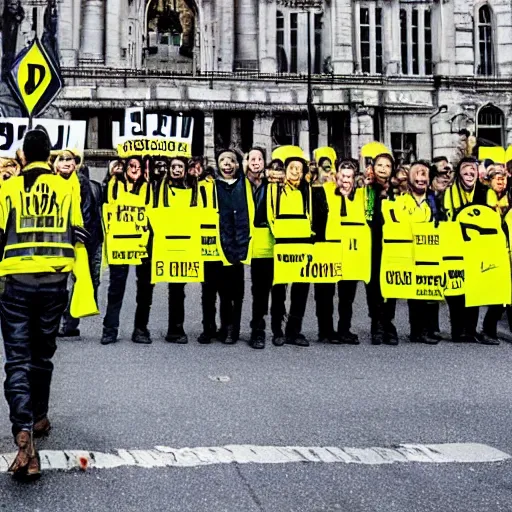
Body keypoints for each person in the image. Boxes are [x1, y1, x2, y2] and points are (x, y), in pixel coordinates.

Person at [0, 129, 87, 478]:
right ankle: (39, 416)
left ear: (23, 156)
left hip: (15, 283)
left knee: (17, 360)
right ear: (49, 156)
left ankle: (24, 435)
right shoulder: (67, 186)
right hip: (54, 283)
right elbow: (80, 234)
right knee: (42, 354)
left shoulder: (8, 188)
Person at [101, 156, 154, 345]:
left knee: (145, 290)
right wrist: (110, 175)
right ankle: (110, 329)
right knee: (116, 289)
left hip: (142, 244)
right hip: (120, 245)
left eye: (138, 166)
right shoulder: (113, 184)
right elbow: (104, 203)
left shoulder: (149, 187)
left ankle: (140, 329)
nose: (135, 169)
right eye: (131, 165)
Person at [313, 157, 365, 344]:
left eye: (350, 176)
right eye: (343, 175)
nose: (346, 180)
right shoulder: (323, 192)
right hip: (328, 248)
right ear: (336, 176)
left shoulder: (362, 196)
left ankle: (344, 329)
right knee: (325, 293)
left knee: (347, 295)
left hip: (351, 250)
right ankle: (325, 330)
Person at [393, 160, 443, 344]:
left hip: (429, 252)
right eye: (417, 174)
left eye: (424, 174)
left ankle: (429, 328)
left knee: (429, 290)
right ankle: (417, 330)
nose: (421, 178)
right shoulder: (402, 201)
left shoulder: (434, 201)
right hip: (411, 251)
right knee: (415, 294)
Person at [268, 146, 312, 347]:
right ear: (285, 170)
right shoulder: (274, 189)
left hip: (302, 243)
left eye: (299, 168)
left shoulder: (306, 190)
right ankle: (277, 330)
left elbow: (310, 216)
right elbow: (270, 216)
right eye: (292, 167)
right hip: (283, 244)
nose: (296, 171)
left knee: (301, 289)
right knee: (279, 290)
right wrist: (280, 236)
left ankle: (294, 330)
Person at [53, 150, 97, 338]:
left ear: (76, 163)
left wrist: (81, 233)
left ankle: (70, 323)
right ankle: (54, 322)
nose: (65, 162)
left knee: (81, 282)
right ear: (54, 163)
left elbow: (90, 212)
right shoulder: (48, 183)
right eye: (61, 159)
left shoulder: (85, 184)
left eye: (69, 159)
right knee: (57, 283)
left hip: (81, 239)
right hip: (55, 240)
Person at [245, 147, 286, 349]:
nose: (256, 162)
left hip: (277, 241)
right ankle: (258, 329)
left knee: (279, 288)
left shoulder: (276, 185)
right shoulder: (242, 184)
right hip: (257, 242)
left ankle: (278, 329)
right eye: (252, 158)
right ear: (247, 162)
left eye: (259, 158)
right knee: (259, 290)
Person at [443, 156, 486, 342]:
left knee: (473, 288)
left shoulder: (485, 192)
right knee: (455, 288)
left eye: (472, 171)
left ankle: (470, 328)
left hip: (476, 246)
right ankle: (457, 329)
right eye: (465, 171)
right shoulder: (448, 193)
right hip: (454, 245)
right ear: (459, 173)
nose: (469, 174)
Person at [155, 155, 198, 344]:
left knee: (179, 288)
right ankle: (174, 328)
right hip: (167, 243)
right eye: (174, 166)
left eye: (180, 166)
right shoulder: (160, 188)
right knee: (173, 288)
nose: (177, 169)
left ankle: (177, 327)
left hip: (186, 244)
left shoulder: (192, 189)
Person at [215, 149, 254, 344]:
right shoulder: (213, 185)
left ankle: (234, 329)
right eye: (222, 160)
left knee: (237, 292)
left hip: (241, 242)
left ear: (238, 165)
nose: (227, 164)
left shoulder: (244, 184)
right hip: (222, 242)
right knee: (223, 290)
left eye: (231, 160)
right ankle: (224, 326)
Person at [364, 152, 398, 345]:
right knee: (374, 283)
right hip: (372, 240)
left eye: (387, 166)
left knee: (391, 281)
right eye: (379, 165)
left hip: (392, 242)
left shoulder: (398, 190)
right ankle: (376, 322)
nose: (383, 169)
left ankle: (388, 322)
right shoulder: (367, 188)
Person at [480, 161, 510, 345]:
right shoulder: (484, 198)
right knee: (498, 296)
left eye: (503, 176)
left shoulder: (510, 197)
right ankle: (488, 330)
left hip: (509, 248)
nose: (500, 179)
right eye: (495, 176)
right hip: (492, 249)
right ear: (488, 180)